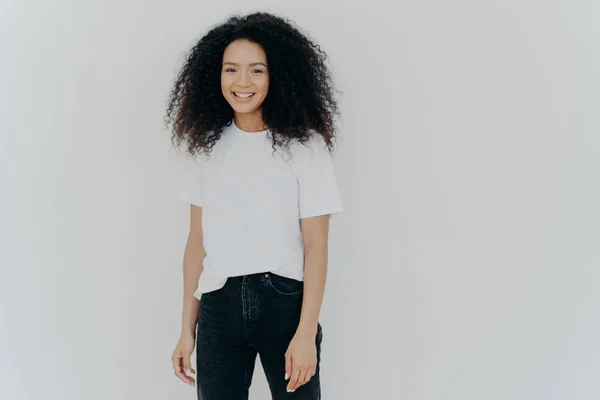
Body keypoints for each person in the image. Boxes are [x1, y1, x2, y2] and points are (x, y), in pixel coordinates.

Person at [165, 11, 342, 400]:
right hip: (217, 306)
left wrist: (306, 333)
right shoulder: (206, 148)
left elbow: (316, 245)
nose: (242, 82)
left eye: (256, 70)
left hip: (284, 304)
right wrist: (186, 330)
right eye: (231, 70)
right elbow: (196, 243)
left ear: (277, 74)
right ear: (216, 74)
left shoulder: (305, 147)